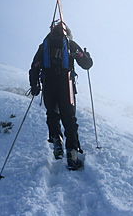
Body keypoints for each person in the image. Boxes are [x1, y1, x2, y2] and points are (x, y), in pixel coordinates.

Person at [29, 22, 93, 170]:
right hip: (66, 85)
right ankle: (72, 154)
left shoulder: (43, 46)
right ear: (68, 33)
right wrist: (86, 56)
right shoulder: (70, 44)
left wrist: (34, 85)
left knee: (52, 114)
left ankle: (57, 142)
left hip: (49, 85)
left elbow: (34, 67)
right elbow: (87, 64)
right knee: (69, 119)